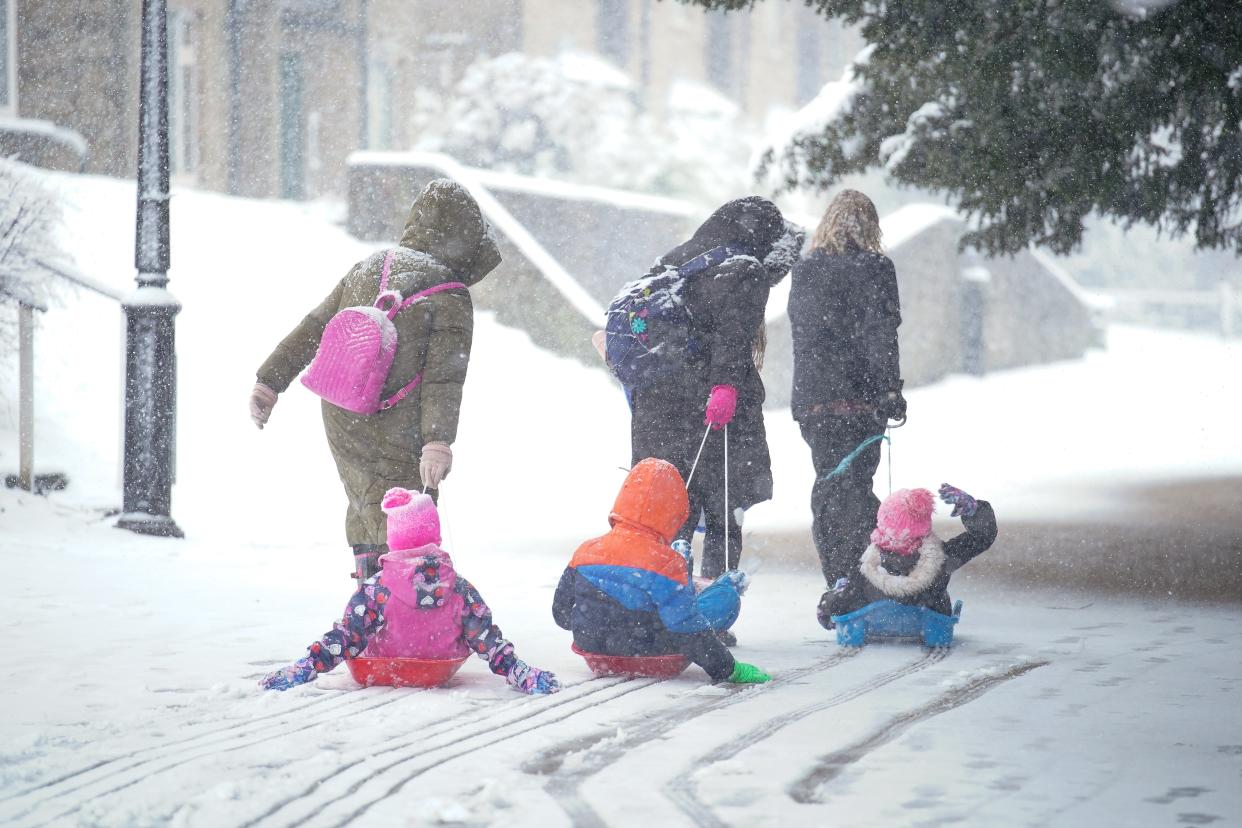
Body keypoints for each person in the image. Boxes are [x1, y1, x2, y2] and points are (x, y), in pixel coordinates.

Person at [249, 179, 501, 582]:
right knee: (407, 517)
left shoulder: (371, 266)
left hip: (343, 406)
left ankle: (371, 602)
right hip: (400, 421)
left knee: (365, 504)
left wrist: (270, 380)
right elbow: (443, 377)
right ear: (464, 237)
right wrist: (437, 442)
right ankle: (404, 612)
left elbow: (316, 325)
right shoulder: (449, 293)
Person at [626, 197, 802, 643]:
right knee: (724, 512)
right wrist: (725, 385)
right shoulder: (743, 268)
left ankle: (667, 606)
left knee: (668, 511)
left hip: (658, 409)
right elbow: (733, 336)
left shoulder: (674, 261)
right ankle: (710, 616)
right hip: (709, 412)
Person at [260, 488, 559, 694]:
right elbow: (486, 640)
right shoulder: (458, 588)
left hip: (387, 664)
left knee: (357, 632)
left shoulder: (378, 589)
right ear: (436, 537)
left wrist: (306, 665)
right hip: (438, 667)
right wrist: (519, 671)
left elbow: (347, 637)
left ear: (394, 540)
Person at [788, 189, 906, 614]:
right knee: (858, 489)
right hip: (863, 400)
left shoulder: (805, 270)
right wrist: (889, 389)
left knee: (829, 489)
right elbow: (882, 334)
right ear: (870, 226)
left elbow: (803, 337)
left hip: (817, 402)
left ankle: (839, 578)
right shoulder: (877, 268)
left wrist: (807, 395)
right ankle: (863, 577)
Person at [553, 458, 769, 685]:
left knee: (668, 597)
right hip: (653, 651)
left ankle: (683, 579)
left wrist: (599, 621)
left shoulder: (585, 552)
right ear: (673, 512)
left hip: (593, 647)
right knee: (723, 600)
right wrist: (728, 669)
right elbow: (688, 631)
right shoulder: (664, 564)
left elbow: (561, 614)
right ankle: (721, 586)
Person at [819, 485, 997, 624]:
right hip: (929, 621)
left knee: (847, 593)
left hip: (875, 625)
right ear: (924, 526)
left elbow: (833, 606)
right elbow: (982, 537)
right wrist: (974, 510)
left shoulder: (864, 566)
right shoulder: (942, 559)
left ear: (882, 524)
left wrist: (829, 603)